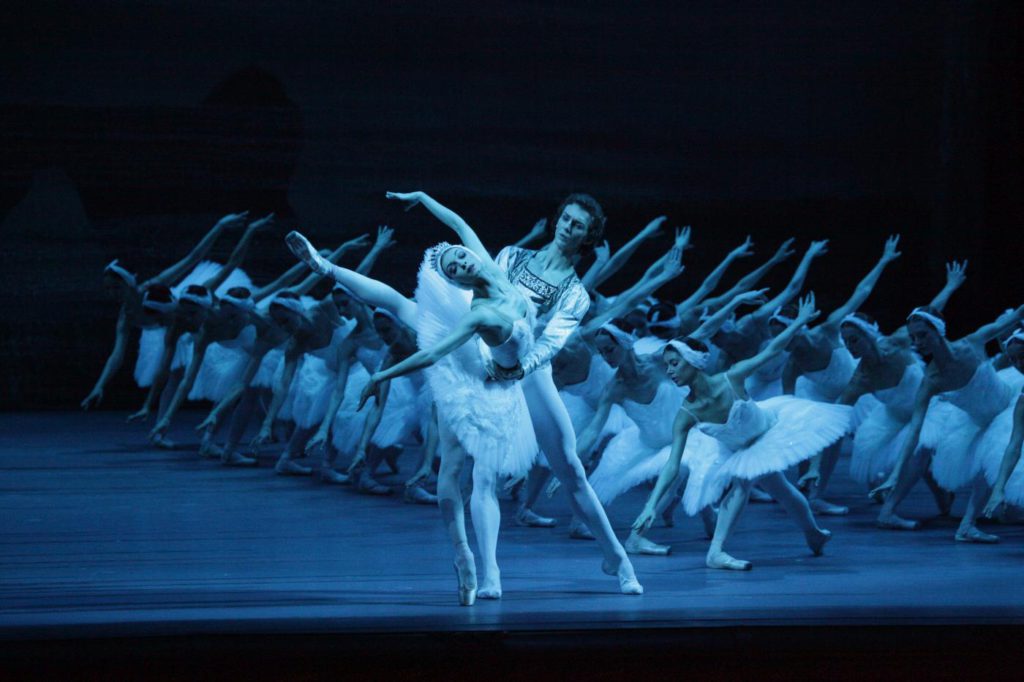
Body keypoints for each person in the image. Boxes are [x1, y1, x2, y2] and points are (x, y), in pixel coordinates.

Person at [287, 190, 643, 603]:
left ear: (586, 236)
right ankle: (490, 574)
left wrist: (518, 369)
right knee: (483, 476)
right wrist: (423, 201)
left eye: (577, 225)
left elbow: (552, 342)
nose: (568, 227)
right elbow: (455, 237)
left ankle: (617, 559)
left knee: (572, 471)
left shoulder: (575, 292)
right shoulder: (511, 257)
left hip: (528, 371)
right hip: (488, 370)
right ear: (557, 219)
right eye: (566, 219)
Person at [634, 295, 852, 571]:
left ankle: (813, 533)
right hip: (738, 450)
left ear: (693, 362)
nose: (670, 371)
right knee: (746, 481)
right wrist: (650, 505)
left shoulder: (731, 378)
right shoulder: (686, 414)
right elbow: (672, 465)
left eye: (675, 364)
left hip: (768, 431)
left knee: (781, 489)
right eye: (667, 365)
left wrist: (797, 322)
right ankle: (716, 552)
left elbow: (772, 350)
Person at [871, 303, 1024, 540]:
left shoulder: (970, 344)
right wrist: (894, 474)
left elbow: (1009, 319)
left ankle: (975, 515)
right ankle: (964, 525)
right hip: (976, 421)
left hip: (1007, 403)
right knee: (951, 447)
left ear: (938, 330)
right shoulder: (931, 380)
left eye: (923, 335)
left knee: (1009, 505)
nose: (918, 342)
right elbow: (915, 430)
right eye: (913, 337)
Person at [82, 212, 249, 409]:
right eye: (108, 289)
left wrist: (220, 226)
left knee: (230, 359)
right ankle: (161, 428)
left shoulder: (154, 287)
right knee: (174, 373)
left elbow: (193, 257)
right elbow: (116, 356)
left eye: (116, 287)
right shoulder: (126, 316)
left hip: (189, 310)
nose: (112, 293)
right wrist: (99, 386)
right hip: (173, 329)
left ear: (129, 284)